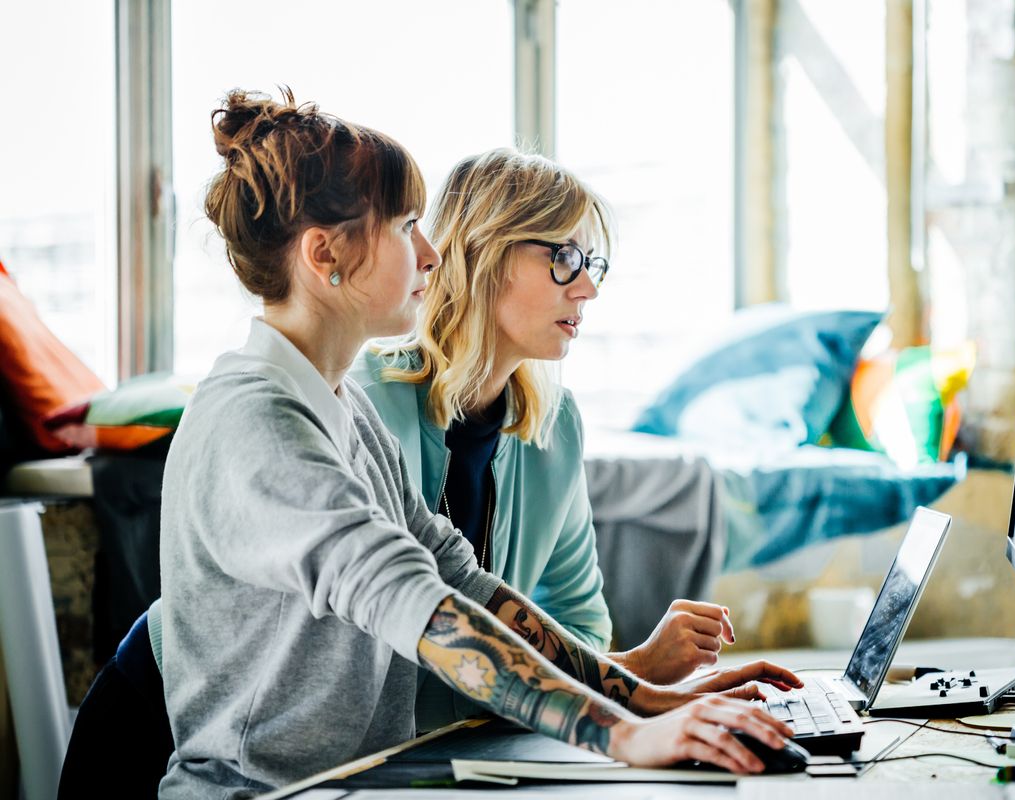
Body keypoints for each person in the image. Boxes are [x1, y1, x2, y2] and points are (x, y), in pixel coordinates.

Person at [158, 89, 800, 798]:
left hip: (360, 782)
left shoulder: (339, 409)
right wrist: (623, 734)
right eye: (406, 227)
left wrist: (643, 696)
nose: (433, 253)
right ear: (326, 255)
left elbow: (459, 581)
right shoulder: (258, 421)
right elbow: (411, 598)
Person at [350, 150, 737, 706]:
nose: (587, 289)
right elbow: (383, 664)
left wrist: (624, 678)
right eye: (566, 258)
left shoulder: (555, 425)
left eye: (591, 265)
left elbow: (580, 623)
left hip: (483, 745)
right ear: (483, 252)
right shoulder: (366, 401)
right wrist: (633, 674)